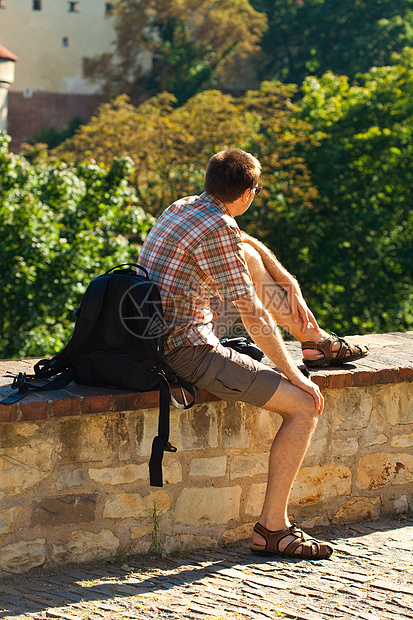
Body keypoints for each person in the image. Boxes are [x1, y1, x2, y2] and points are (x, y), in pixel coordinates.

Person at [138, 148, 368, 560]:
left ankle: (313, 339)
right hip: (186, 351)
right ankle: (272, 529)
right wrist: (296, 378)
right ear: (247, 194)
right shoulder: (219, 229)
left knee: (248, 256)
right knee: (304, 407)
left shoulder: (185, 206)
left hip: (153, 333)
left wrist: (286, 277)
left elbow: (240, 239)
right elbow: (254, 318)